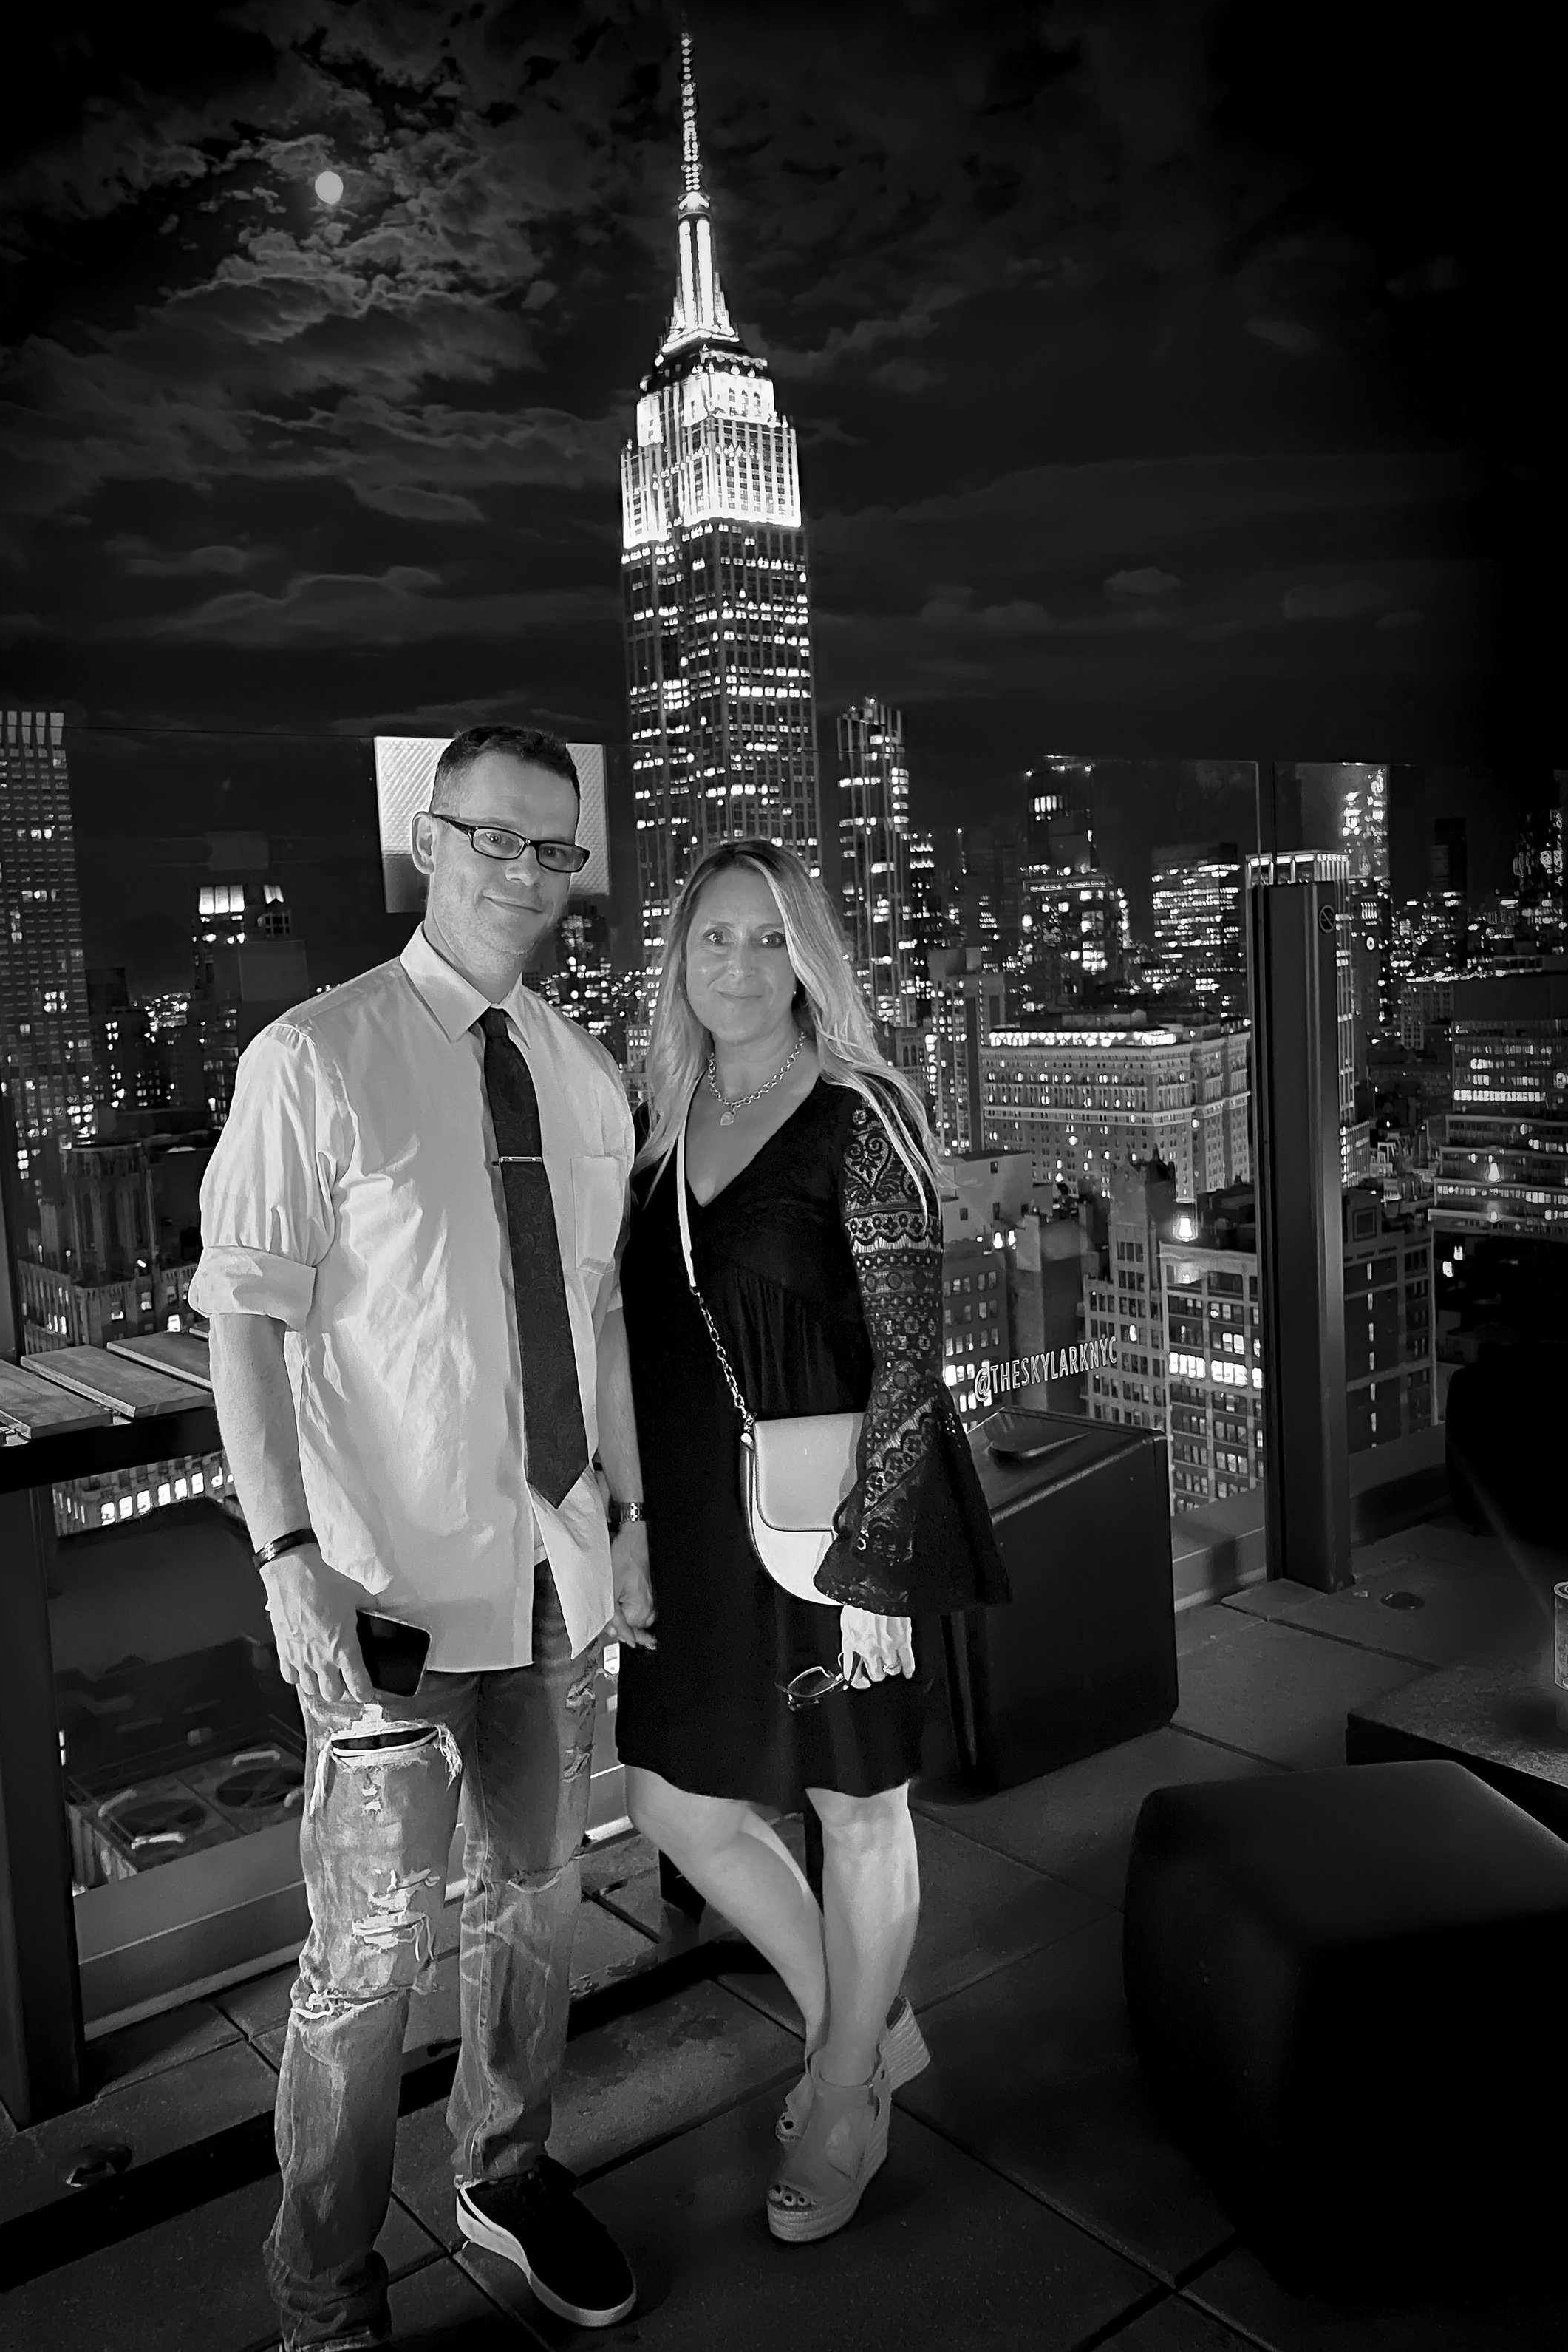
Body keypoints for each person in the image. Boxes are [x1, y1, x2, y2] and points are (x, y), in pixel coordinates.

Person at [194, 727, 647, 2347]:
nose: (522, 873)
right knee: (365, 1960)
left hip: (549, 1580)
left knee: (534, 1912)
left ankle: (505, 2177)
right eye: (491, 837)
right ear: (424, 837)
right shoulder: (313, 1058)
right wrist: (284, 1551)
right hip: (383, 1590)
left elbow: (590, 1325)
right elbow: (242, 1322)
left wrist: (629, 1533)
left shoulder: (586, 1075)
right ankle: (322, 2286)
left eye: (551, 849)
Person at [610, 838, 1010, 2244]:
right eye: (711, 939)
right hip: (704, 1529)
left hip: (837, 1517)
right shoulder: (654, 1127)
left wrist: (872, 1562)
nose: (738, 966)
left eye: (768, 939)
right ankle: (864, 2019)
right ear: (677, 962)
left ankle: (845, 2089)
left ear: (810, 958)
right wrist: (636, 1529)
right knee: (677, 1803)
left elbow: (914, 1360)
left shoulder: (859, 1113)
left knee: (858, 1806)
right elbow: (644, 1355)